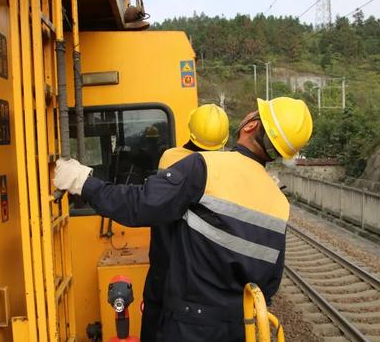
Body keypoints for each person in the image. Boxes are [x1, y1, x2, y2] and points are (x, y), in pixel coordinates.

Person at [55, 97, 313, 342]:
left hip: (189, 325)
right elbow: (269, 283)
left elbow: (139, 205)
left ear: (251, 124)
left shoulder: (206, 168)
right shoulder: (279, 203)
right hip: (238, 327)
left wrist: (83, 182)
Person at [143, 104, 229, 342]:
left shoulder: (170, 157)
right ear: (224, 139)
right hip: (199, 267)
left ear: (190, 128)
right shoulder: (221, 168)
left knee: (154, 313)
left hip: (163, 255)